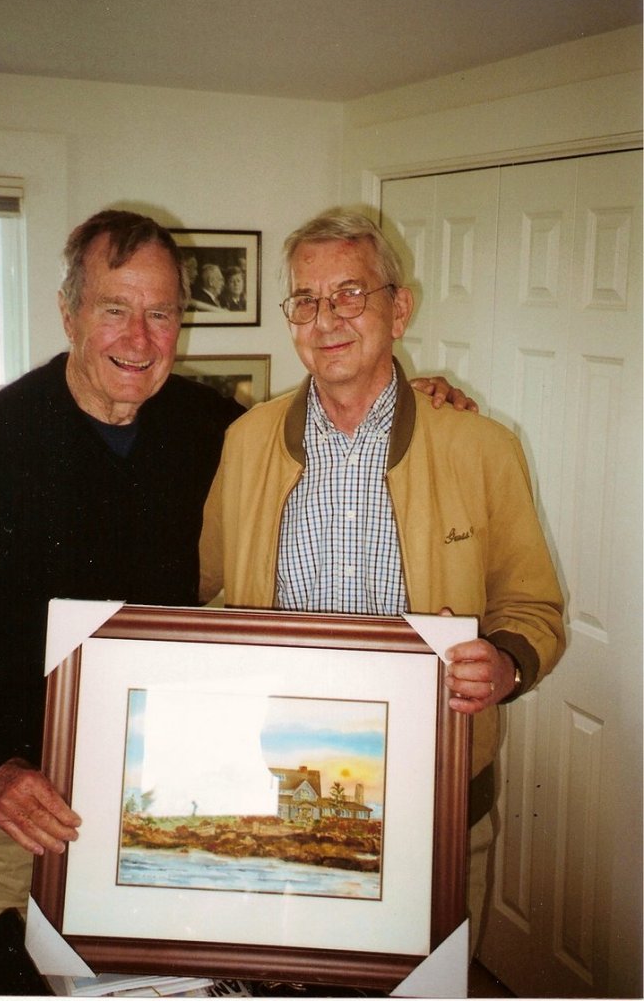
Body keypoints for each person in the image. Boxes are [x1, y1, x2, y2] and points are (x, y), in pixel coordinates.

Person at [0, 206, 474, 967]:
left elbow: (326, 419)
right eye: (114, 310)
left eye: (160, 314)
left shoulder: (213, 428)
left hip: (154, 802)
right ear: (69, 313)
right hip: (5, 813)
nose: (139, 338)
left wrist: (420, 400)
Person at [198, 208, 566, 954]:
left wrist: (504, 661)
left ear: (399, 309)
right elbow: (207, 595)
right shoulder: (242, 444)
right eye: (305, 300)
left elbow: (534, 608)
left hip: (437, 798)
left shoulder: (481, 447)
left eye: (349, 294)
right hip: (278, 796)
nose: (325, 318)